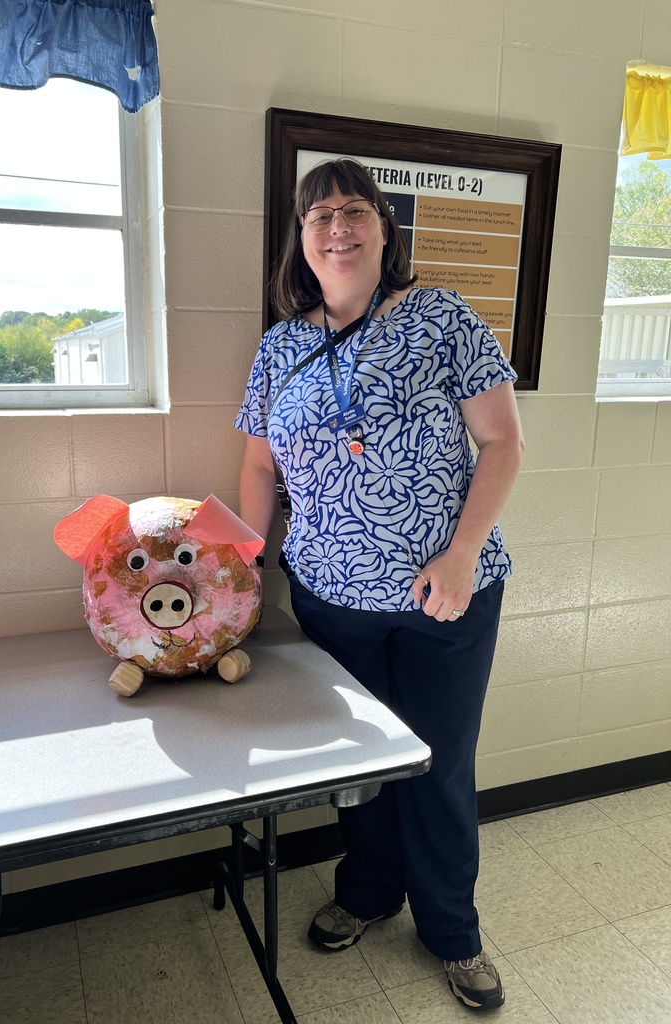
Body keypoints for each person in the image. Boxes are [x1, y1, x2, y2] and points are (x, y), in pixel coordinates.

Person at [234, 157, 524, 1012]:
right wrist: (248, 573)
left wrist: (464, 552)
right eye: (319, 214)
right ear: (302, 238)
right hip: (329, 601)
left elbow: (503, 443)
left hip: (445, 596)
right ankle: (366, 894)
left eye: (354, 210)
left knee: (436, 765)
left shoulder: (440, 315)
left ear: (384, 229)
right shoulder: (282, 344)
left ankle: (452, 931)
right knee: (357, 766)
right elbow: (257, 463)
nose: (337, 227)